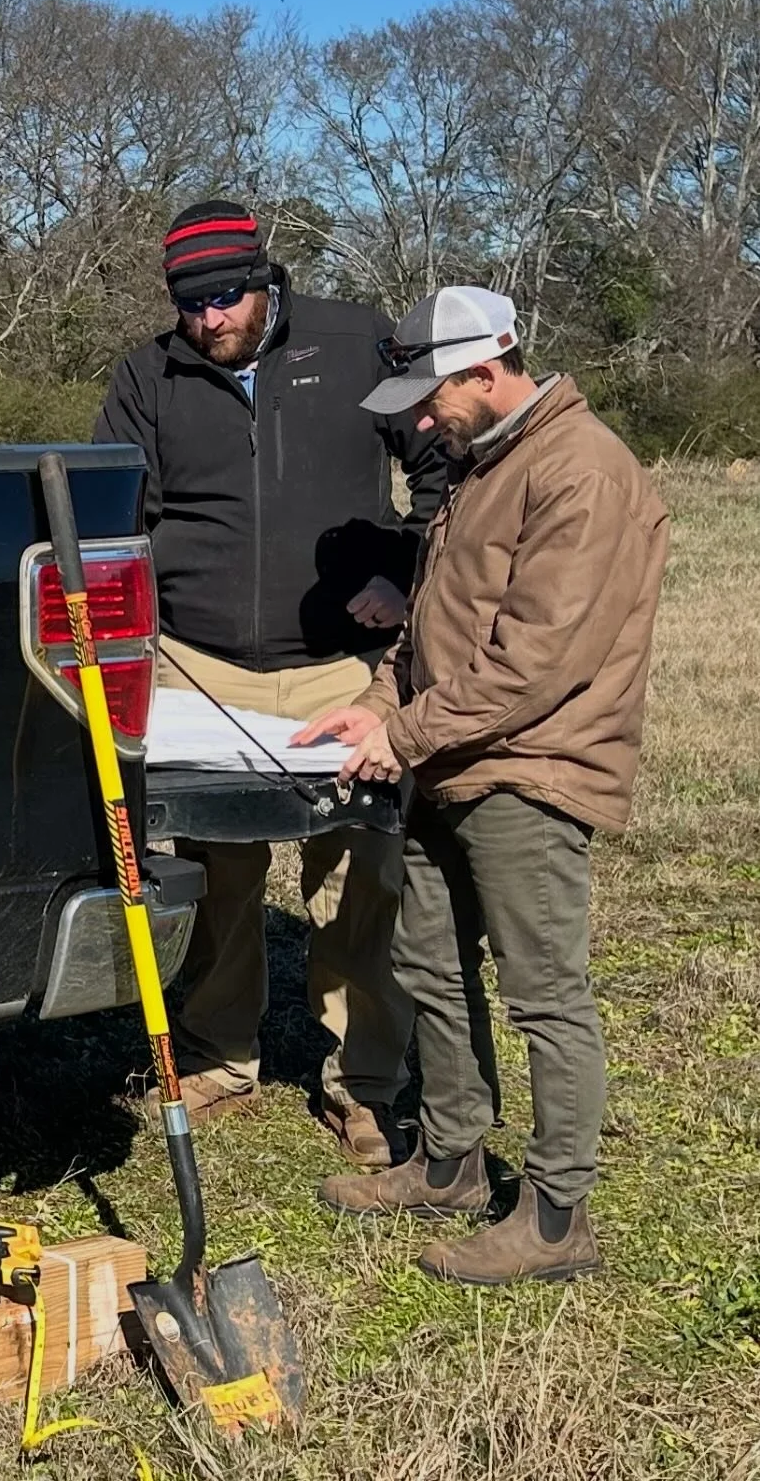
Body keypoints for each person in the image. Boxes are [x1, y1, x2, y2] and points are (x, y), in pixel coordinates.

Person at [295, 286, 669, 1282]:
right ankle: (451, 1164)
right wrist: (376, 707)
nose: (421, 420)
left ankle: (554, 1222)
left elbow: (534, 662)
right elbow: (430, 624)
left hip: (531, 770)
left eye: (431, 397)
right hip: (448, 762)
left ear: (486, 367)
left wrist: (402, 734)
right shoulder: (483, 463)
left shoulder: (582, 473)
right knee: (432, 968)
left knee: (545, 997)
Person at [94, 201, 449, 1165]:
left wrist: (406, 569)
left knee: (361, 878)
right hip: (203, 669)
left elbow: (447, 470)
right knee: (218, 871)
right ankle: (218, 1050)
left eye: (227, 297)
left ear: (268, 279)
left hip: (346, 668)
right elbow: (115, 512)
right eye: (190, 304)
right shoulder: (147, 375)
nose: (209, 320)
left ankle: (365, 1080)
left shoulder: (357, 341)